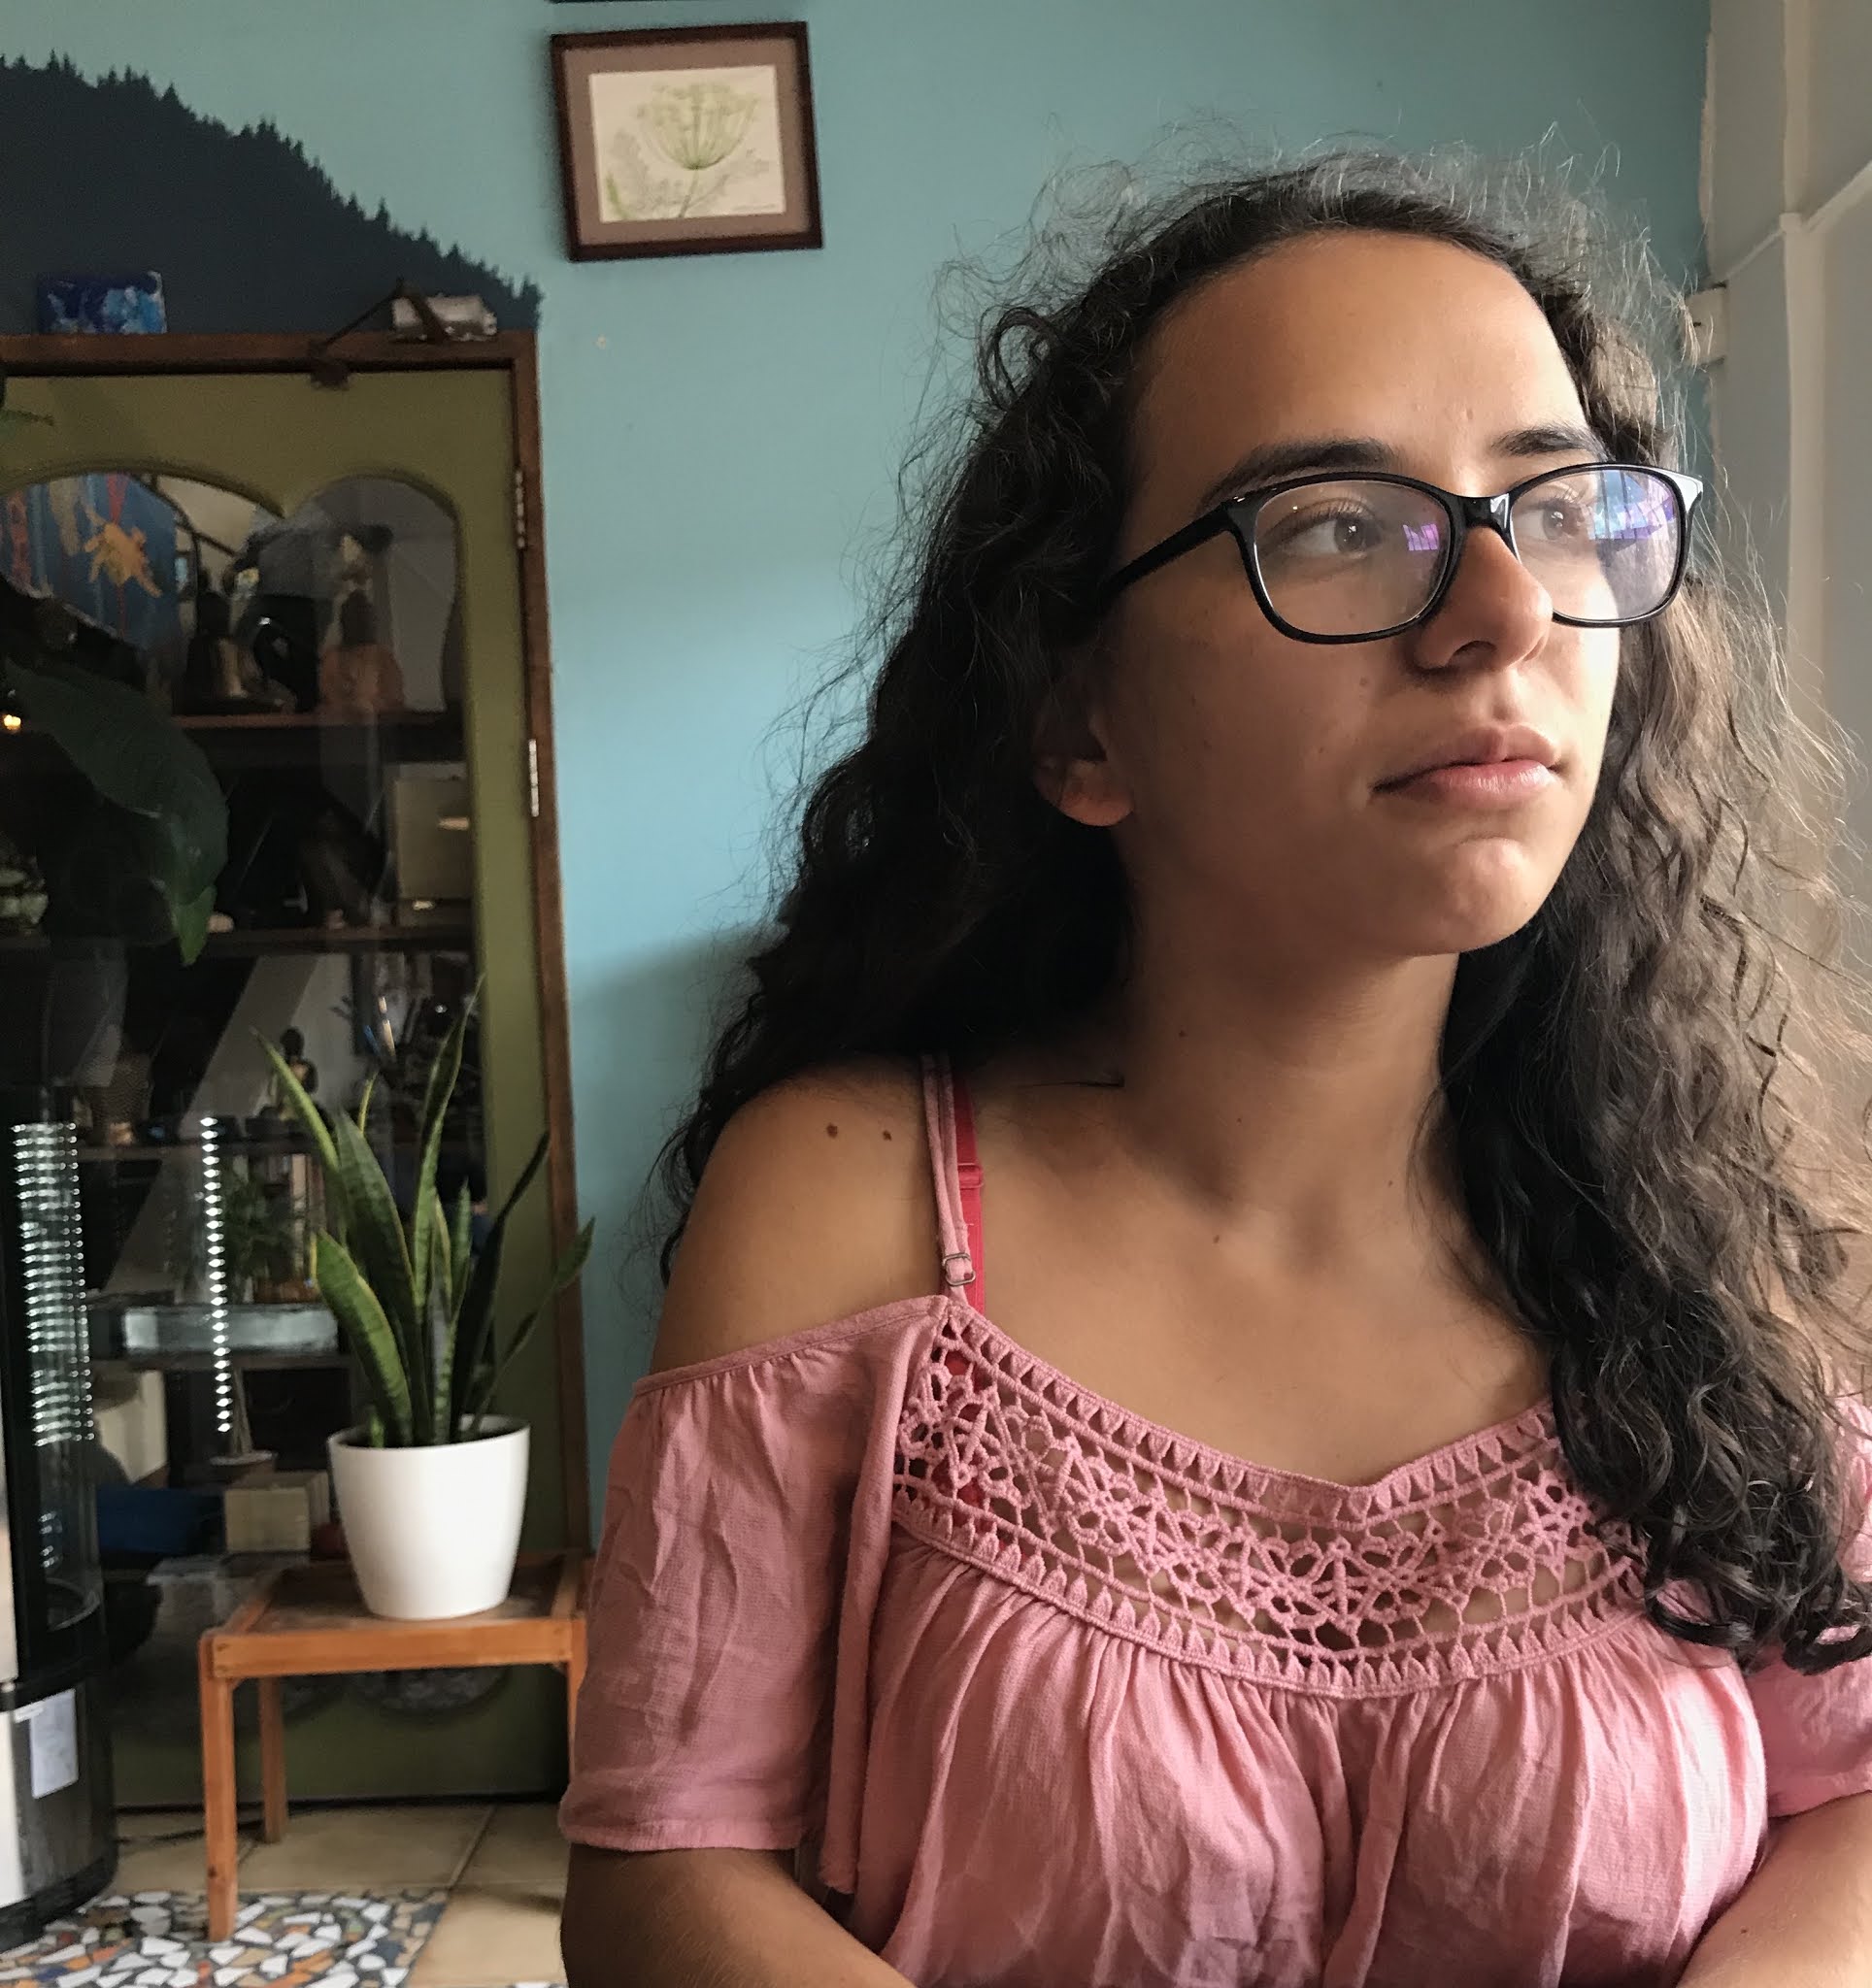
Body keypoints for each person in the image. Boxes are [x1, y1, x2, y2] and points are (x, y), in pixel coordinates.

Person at [558, 148, 1872, 1987]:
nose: (1507, 614)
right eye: (1336, 525)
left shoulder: (1713, 1237)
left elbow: (1850, 1791)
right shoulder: (851, 1205)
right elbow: (665, 1877)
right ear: (1080, 720)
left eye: (1561, 506)